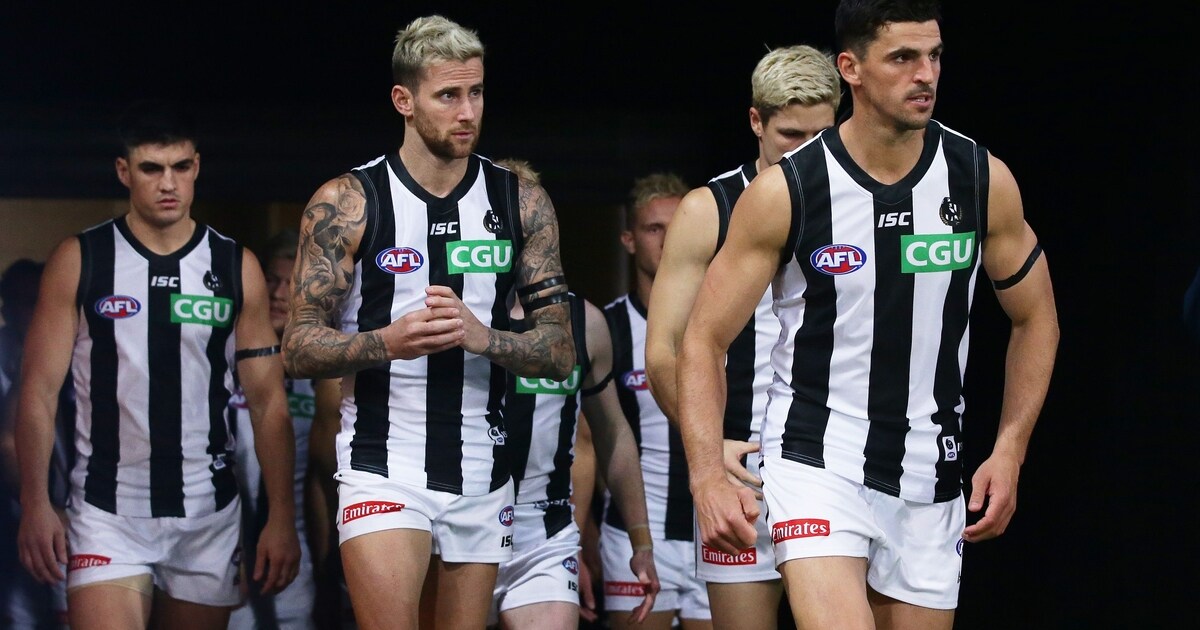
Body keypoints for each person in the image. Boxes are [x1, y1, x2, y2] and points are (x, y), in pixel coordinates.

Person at [677, 1, 1060, 628]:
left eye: (933, 56)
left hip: (931, 470)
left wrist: (1010, 448)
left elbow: (1036, 317)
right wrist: (705, 476)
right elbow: (702, 338)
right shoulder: (786, 191)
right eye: (902, 58)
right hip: (816, 459)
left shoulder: (979, 179)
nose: (925, 74)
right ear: (850, 68)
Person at [281, 16, 576, 630]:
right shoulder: (347, 201)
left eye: (476, 93)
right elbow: (298, 347)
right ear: (404, 100)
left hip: (483, 467)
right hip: (382, 462)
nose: (467, 112)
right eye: (448, 95)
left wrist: (484, 337)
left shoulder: (520, 200)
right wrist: (385, 342)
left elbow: (560, 352)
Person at [14, 100, 301, 630]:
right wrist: (36, 502)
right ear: (124, 171)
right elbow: (37, 392)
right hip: (106, 510)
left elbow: (268, 403)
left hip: (207, 514)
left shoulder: (235, 265)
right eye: (151, 168)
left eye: (180, 167)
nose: (168, 183)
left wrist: (281, 517)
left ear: (197, 166)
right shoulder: (81, 258)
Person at [644, 44, 841, 630]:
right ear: (756, 121)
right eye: (790, 135)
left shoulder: (857, 204)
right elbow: (664, 351)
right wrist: (709, 453)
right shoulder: (708, 210)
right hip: (742, 468)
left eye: (821, 135)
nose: (805, 151)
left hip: (837, 463)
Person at [488, 159, 659, 629]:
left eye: (528, 214)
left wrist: (641, 542)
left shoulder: (584, 322)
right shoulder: (440, 311)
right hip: (458, 516)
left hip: (544, 530)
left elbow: (611, 434)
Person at [601, 173, 711, 630]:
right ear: (629, 240)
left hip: (718, 528)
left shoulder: (727, 324)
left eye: (677, 226)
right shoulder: (606, 329)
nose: (667, 240)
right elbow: (586, 443)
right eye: (653, 228)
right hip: (635, 535)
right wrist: (581, 539)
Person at [229, 230, 339, 630]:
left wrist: (328, 565)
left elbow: (324, 478)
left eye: (289, 284)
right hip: (222, 543)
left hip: (294, 551)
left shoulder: (324, 368)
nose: (277, 294)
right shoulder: (223, 356)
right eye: (270, 281)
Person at [1, 259, 71, 629]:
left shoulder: (84, 348)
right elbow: (9, 443)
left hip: (82, 513)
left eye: (37, 301)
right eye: (22, 302)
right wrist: (38, 503)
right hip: (18, 513)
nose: (30, 311)